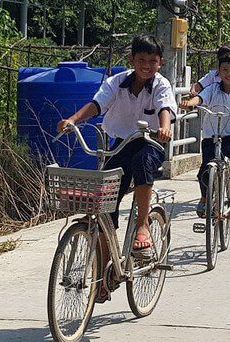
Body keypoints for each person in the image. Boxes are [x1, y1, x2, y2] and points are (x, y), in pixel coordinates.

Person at [56, 35, 176, 257]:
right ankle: (106, 265)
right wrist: (72, 121)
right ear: (132, 59)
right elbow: (97, 105)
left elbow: (165, 108)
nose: (147, 66)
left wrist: (165, 128)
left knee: (142, 162)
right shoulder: (116, 82)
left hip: (151, 143)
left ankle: (143, 225)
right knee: (106, 196)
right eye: (141, 60)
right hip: (122, 144)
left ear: (160, 63)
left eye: (152, 61)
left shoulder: (161, 85)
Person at [181, 54, 230, 213]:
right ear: (219, 71)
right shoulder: (212, 89)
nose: (229, 74)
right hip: (212, 136)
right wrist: (190, 104)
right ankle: (205, 197)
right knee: (205, 170)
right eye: (225, 70)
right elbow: (200, 99)